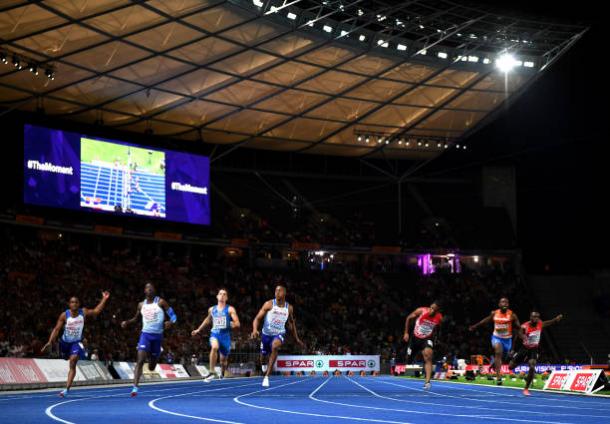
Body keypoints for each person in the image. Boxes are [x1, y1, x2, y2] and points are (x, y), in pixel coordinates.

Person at [41, 291, 110, 397]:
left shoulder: (83, 312)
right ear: (69, 304)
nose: (74, 304)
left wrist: (104, 299)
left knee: (72, 361)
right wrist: (50, 342)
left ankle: (67, 389)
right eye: (72, 302)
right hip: (64, 343)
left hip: (76, 343)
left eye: (76, 302)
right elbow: (56, 329)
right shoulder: (64, 315)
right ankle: (73, 352)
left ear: (79, 304)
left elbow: (96, 311)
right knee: (65, 358)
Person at [121, 283, 177, 397]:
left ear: (155, 291)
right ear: (144, 291)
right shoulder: (141, 305)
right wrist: (127, 322)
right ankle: (135, 388)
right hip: (145, 335)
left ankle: (155, 356)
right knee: (140, 360)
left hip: (157, 337)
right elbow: (136, 318)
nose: (150, 289)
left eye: (152, 288)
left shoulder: (161, 302)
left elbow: (174, 316)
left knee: (151, 367)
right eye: (147, 288)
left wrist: (170, 322)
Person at [251, 285, 304, 387]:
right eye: (275, 290)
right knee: (263, 356)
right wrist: (254, 330)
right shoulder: (269, 304)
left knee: (275, 346)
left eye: (279, 291)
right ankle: (263, 364)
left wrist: (296, 338)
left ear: (284, 293)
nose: (277, 292)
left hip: (279, 333)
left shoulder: (289, 308)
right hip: (266, 334)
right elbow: (257, 318)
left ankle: (267, 377)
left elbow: (292, 323)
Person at [469, 297, 523, 385]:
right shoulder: (494, 313)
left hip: (507, 340)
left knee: (503, 358)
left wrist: (522, 335)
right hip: (496, 338)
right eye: (502, 302)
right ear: (499, 304)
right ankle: (498, 377)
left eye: (506, 302)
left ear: (508, 305)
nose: (504, 304)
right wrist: (475, 326)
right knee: (498, 351)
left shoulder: (512, 315)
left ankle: (494, 364)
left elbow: (518, 327)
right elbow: (486, 320)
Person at [191, 288, 241, 382]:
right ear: (217, 296)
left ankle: (222, 372)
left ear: (226, 298)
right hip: (215, 334)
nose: (222, 295)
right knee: (214, 347)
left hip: (225, 336)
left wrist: (232, 324)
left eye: (224, 294)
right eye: (220, 294)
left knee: (223, 361)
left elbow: (237, 323)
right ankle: (211, 372)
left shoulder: (230, 309)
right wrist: (198, 329)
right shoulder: (212, 309)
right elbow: (207, 320)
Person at [509, 312, 563, 395]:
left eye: (537, 317)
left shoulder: (540, 324)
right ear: (530, 317)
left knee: (532, 366)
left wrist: (555, 319)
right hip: (524, 349)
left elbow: (548, 322)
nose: (535, 318)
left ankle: (526, 389)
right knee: (510, 367)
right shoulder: (524, 326)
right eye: (534, 317)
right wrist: (513, 349)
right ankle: (522, 360)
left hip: (533, 349)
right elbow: (517, 336)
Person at [403, 301, 443, 389]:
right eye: (431, 308)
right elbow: (408, 318)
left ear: (437, 311)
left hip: (426, 339)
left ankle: (427, 382)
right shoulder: (421, 310)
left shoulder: (439, 317)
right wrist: (406, 333)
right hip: (415, 338)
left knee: (428, 357)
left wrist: (437, 338)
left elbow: (439, 328)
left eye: (434, 310)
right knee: (408, 360)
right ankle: (410, 358)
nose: (431, 311)